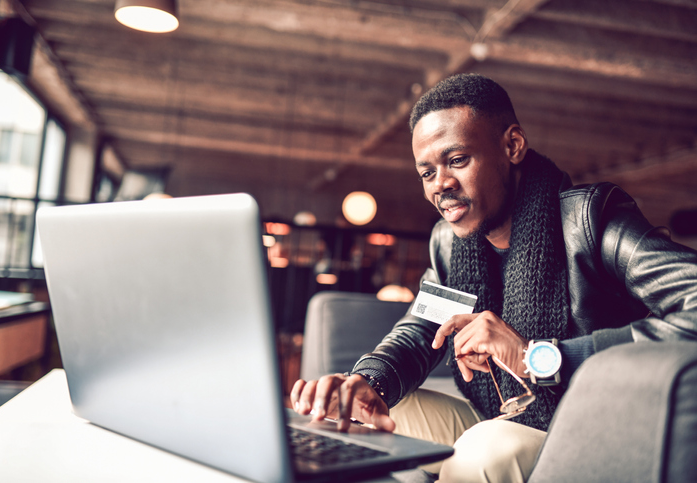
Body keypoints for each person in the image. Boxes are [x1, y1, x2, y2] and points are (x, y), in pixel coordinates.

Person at [290, 74, 697, 482]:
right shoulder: (450, 243)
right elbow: (421, 331)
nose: (441, 186)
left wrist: (540, 357)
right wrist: (366, 380)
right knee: (353, 409)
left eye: (457, 160)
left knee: (481, 452)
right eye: (426, 173)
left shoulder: (591, 221)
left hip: (594, 422)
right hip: (503, 415)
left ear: (512, 146)